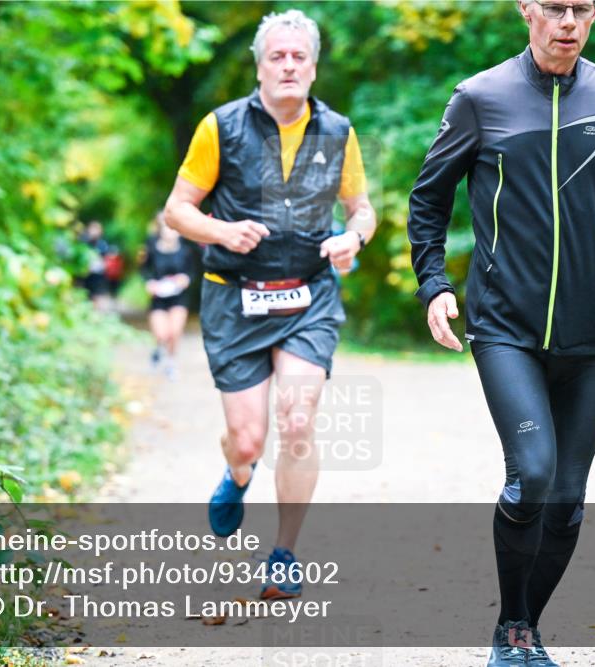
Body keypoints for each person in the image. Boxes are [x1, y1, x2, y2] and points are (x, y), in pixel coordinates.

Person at [406, 2, 595, 665]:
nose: (567, 21)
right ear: (527, 9)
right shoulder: (479, 98)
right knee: (532, 474)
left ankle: (519, 625)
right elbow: (428, 198)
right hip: (506, 328)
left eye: (580, 8)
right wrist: (434, 283)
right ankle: (514, 631)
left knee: (566, 502)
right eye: (554, 7)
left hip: (589, 335)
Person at [163, 9, 376, 599]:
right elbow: (176, 210)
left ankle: (284, 552)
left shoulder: (338, 132)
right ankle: (238, 473)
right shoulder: (221, 127)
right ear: (260, 66)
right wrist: (222, 232)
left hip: (308, 298)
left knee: (299, 420)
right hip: (235, 300)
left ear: (312, 68)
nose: (288, 65)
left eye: (298, 57)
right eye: (276, 56)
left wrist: (351, 237)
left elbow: (362, 209)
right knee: (249, 439)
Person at [140, 212, 197, 379]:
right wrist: (149, 283)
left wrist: (185, 279)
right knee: (162, 333)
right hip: (158, 298)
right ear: (161, 229)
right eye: (166, 227)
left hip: (178, 297)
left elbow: (192, 272)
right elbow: (144, 271)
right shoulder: (151, 248)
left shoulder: (186, 250)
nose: (170, 231)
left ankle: (171, 363)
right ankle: (158, 348)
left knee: (175, 331)